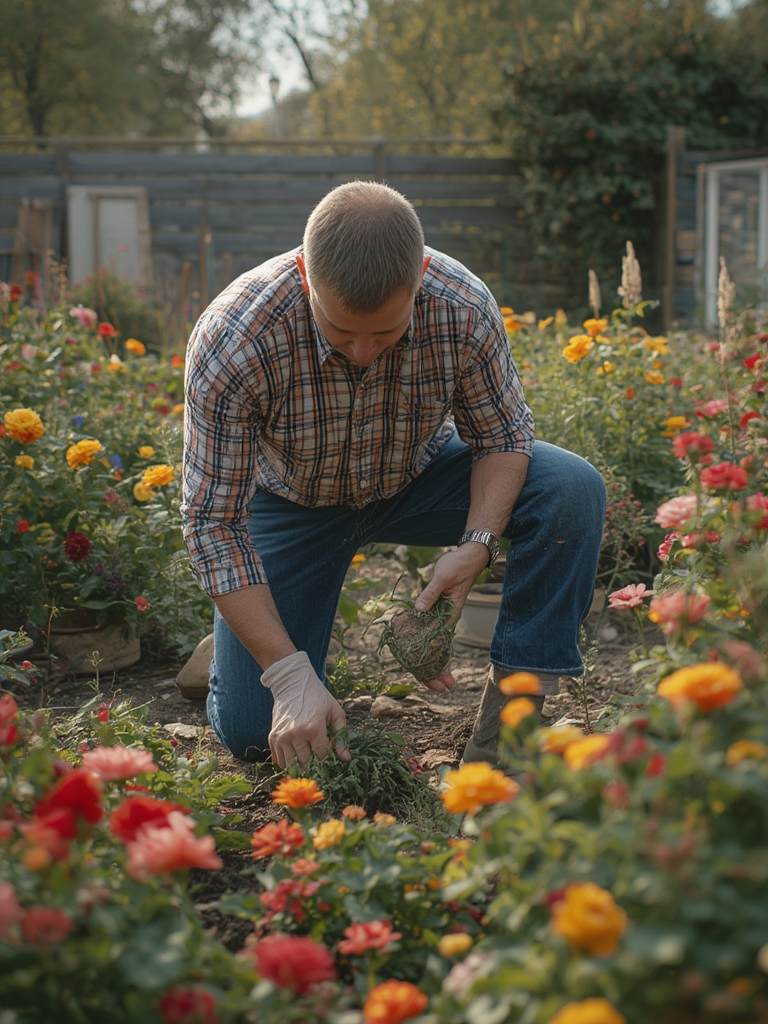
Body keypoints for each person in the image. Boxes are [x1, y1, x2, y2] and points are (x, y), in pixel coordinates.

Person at [181, 180, 605, 770]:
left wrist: (479, 543)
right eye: (339, 330)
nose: (361, 351)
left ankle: (509, 737)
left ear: (422, 276)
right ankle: (247, 650)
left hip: (419, 477)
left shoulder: (461, 306)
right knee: (257, 735)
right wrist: (287, 675)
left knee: (570, 490)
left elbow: (503, 437)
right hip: (293, 504)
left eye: (384, 331)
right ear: (305, 274)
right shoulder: (237, 338)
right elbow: (213, 524)